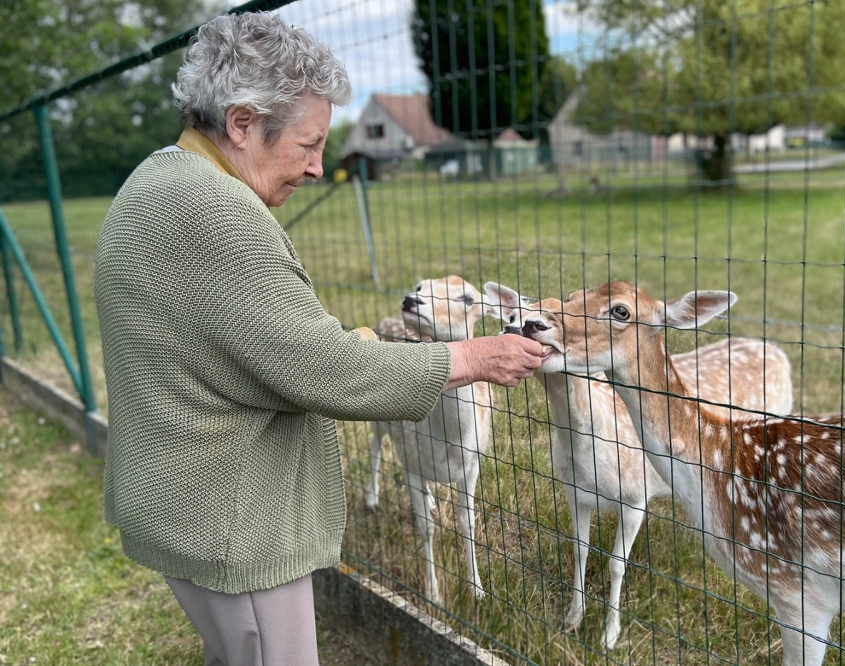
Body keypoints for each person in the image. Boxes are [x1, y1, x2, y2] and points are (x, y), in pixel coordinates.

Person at [93, 11, 543, 666]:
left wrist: (341, 342)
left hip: (183, 500)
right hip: (235, 526)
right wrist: (476, 355)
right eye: (308, 145)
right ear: (242, 123)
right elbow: (325, 369)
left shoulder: (154, 181)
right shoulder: (216, 211)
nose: (316, 168)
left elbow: (237, 340)